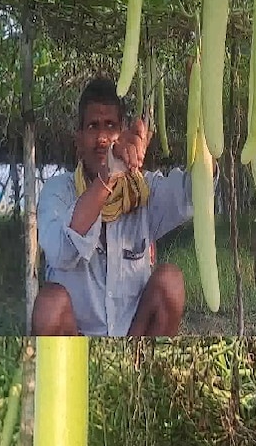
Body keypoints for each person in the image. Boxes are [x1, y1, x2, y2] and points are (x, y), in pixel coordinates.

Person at [34, 77, 213, 337]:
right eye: (93, 127)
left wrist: (204, 107)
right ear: (79, 140)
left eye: (111, 126)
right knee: (49, 304)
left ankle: (145, 367)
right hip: (77, 336)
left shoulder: (141, 190)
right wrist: (108, 175)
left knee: (170, 281)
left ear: (123, 134)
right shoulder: (57, 192)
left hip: (133, 336)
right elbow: (63, 252)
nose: (103, 138)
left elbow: (191, 193)